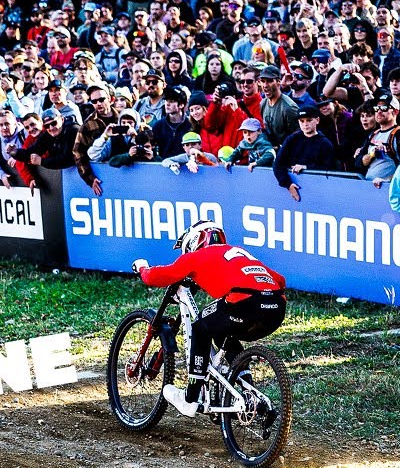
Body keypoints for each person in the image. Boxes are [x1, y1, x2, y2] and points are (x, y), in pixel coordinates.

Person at [131, 221, 287, 417]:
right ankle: (250, 392)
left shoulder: (197, 256)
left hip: (244, 301)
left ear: (194, 241)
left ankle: (190, 398)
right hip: (276, 307)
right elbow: (280, 279)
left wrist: (144, 269)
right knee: (223, 331)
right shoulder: (237, 252)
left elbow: (161, 276)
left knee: (200, 327)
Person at [273, 106, 336, 202]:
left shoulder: (325, 143)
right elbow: (278, 163)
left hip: (318, 191)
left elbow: (329, 168)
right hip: (294, 187)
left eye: (309, 120)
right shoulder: (292, 139)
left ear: (317, 120)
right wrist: (288, 184)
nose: (305, 124)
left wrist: (306, 167)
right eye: (302, 121)